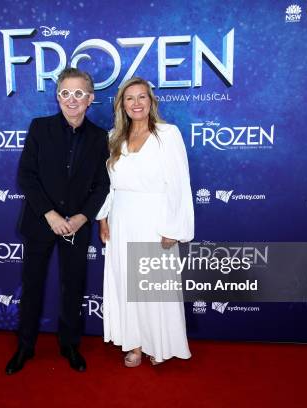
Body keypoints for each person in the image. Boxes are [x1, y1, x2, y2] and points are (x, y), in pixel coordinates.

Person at [5, 68, 110, 375]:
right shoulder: (39, 128)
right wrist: (49, 214)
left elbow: (102, 185)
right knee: (33, 286)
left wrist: (81, 217)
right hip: (41, 223)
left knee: (73, 287)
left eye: (79, 93)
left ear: (90, 99)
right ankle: (25, 346)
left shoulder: (99, 137)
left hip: (77, 227)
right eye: (66, 93)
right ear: (57, 96)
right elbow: (27, 176)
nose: (72, 100)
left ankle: (70, 345)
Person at [97, 77, 194, 367]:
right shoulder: (114, 136)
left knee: (153, 286)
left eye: (142, 97)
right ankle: (136, 345)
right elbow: (109, 184)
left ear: (151, 101)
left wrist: (173, 228)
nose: (136, 103)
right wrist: (103, 217)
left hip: (155, 219)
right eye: (130, 98)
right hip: (122, 218)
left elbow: (179, 183)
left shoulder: (168, 133)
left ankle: (158, 344)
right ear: (121, 104)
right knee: (126, 284)